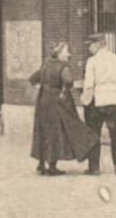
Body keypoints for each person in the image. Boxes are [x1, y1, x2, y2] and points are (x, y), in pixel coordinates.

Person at [28, 41, 98, 175]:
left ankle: (41, 165)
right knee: (56, 132)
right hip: (57, 103)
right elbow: (68, 82)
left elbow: (33, 79)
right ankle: (52, 167)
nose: (69, 54)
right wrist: (63, 93)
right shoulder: (63, 67)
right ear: (59, 53)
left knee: (43, 130)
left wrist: (43, 88)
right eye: (67, 51)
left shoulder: (46, 64)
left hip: (43, 102)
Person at [80, 34, 116, 175]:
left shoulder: (92, 61)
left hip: (98, 103)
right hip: (115, 102)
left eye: (90, 45)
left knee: (94, 135)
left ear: (98, 44)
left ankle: (94, 168)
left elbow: (89, 86)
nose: (89, 48)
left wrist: (85, 101)